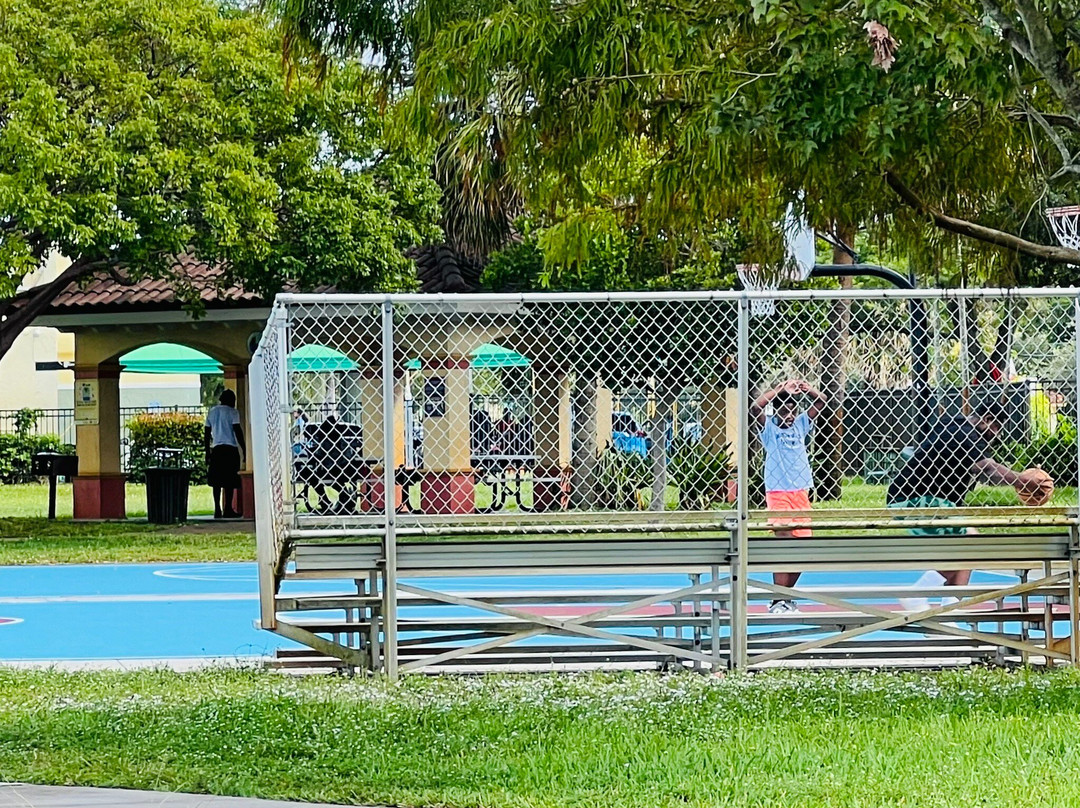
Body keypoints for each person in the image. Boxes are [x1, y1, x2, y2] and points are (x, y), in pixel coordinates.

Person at [887, 399, 1029, 610]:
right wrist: (1022, 480)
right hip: (915, 499)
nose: (997, 435)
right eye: (997, 427)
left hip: (923, 500)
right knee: (970, 541)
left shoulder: (954, 423)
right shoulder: (966, 434)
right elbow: (988, 469)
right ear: (987, 420)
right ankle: (917, 593)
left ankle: (949, 611)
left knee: (970, 541)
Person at [751, 379, 827, 614]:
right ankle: (778, 599)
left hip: (800, 491)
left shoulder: (801, 425)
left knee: (803, 549)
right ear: (777, 413)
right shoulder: (770, 430)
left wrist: (809, 389)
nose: (790, 416)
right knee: (784, 543)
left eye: (792, 411)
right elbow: (756, 407)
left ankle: (787, 595)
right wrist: (780, 390)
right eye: (785, 412)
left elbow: (822, 401)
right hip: (778, 491)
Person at [204, 389, 246, 519]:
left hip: (216, 448)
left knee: (216, 481)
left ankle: (217, 508)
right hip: (230, 449)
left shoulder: (212, 412)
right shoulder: (233, 412)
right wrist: (244, 448)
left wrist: (207, 451)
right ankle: (228, 508)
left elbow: (206, 433)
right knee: (230, 481)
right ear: (231, 400)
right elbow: (237, 431)